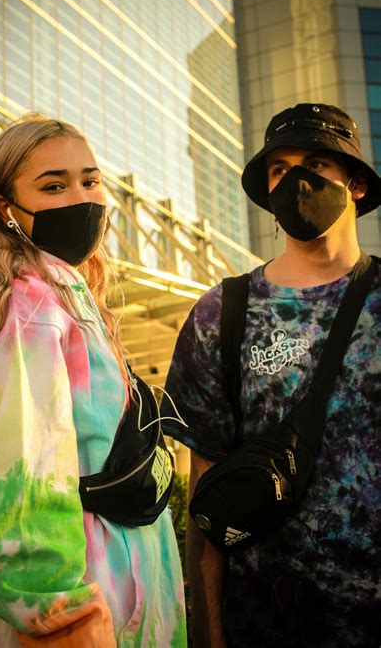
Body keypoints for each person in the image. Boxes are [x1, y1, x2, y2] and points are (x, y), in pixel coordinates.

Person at [0, 114, 186, 647]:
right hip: (74, 607)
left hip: (107, 588)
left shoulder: (62, 293)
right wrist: (62, 616)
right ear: (7, 211)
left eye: (90, 180)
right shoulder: (28, 304)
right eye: (53, 185)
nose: (81, 197)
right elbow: (18, 480)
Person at [161, 103, 380, 648]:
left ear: (354, 183)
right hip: (261, 626)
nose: (297, 181)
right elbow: (204, 496)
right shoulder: (221, 315)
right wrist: (209, 632)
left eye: (315, 164)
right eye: (281, 169)